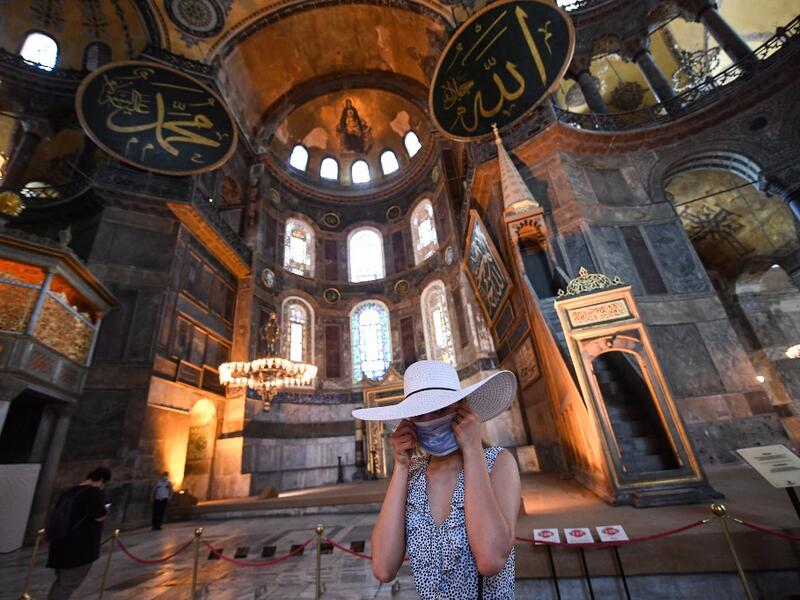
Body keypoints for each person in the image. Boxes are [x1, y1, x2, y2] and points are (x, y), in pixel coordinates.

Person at [353, 360, 520, 599]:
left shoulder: (498, 463)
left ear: (462, 408)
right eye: (420, 414)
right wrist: (401, 466)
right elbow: (383, 568)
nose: (430, 420)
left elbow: (491, 559)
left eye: (440, 410)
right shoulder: (412, 477)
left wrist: (472, 448)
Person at [46, 467, 111, 600]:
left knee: (61, 582)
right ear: (101, 480)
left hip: (60, 543)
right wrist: (105, 510)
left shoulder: (69, 492)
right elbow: (99, 515)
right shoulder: (93, 492)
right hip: (78, 548)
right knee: (67, 585)